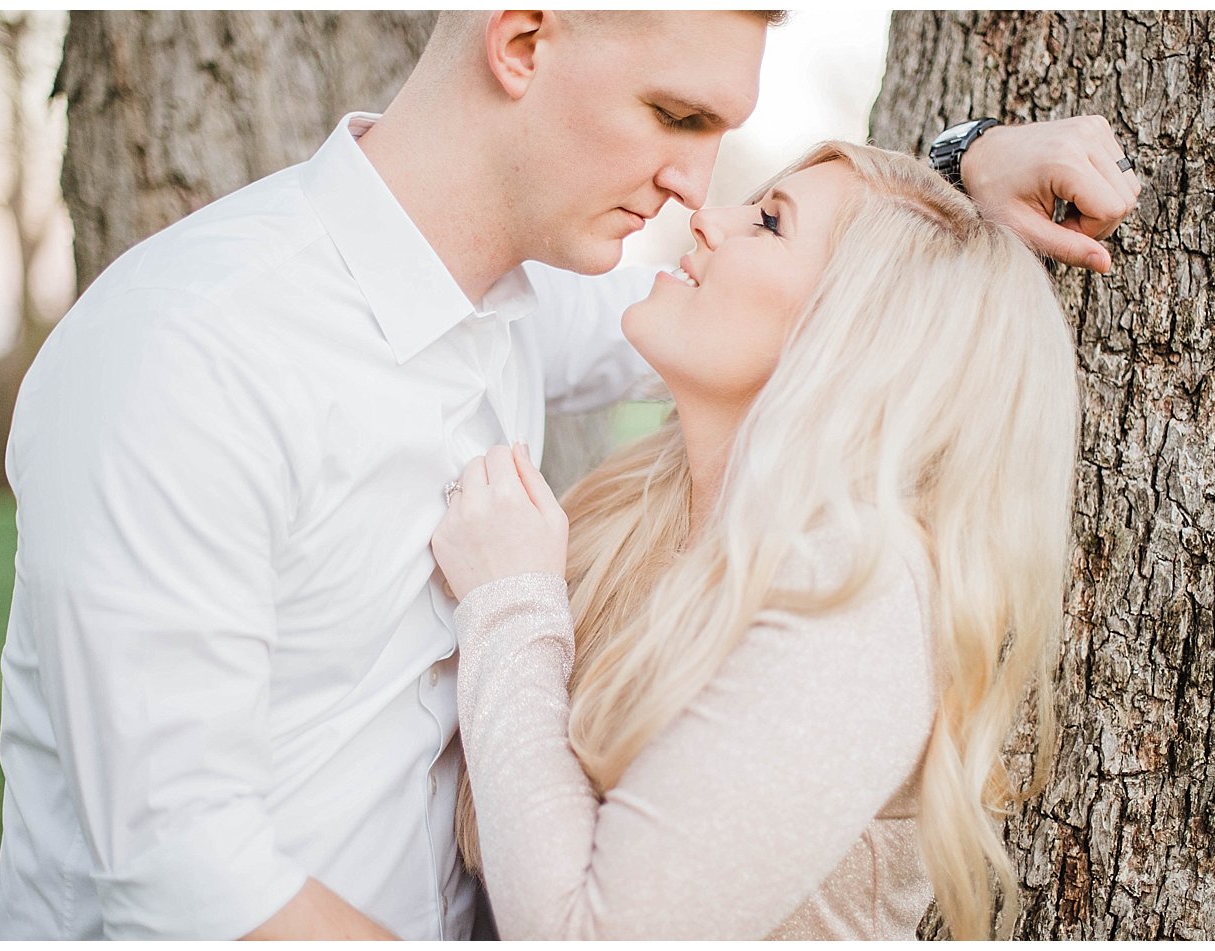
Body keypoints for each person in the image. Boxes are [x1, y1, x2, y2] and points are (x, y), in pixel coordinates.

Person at [0, 11, 1139, 939]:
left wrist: (951, 184)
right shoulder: (192, 349)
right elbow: (179, 872)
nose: (696, 193)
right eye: (673, 114)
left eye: (721, 141)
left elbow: (825, 315)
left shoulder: (507, 312)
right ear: (523, 43)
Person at [431, 141, 1078, 940]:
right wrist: (964, 158)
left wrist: (509, 605)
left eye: (769, 221)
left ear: (852, 333)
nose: (706, 219)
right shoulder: (650, 515)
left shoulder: (861, 594)